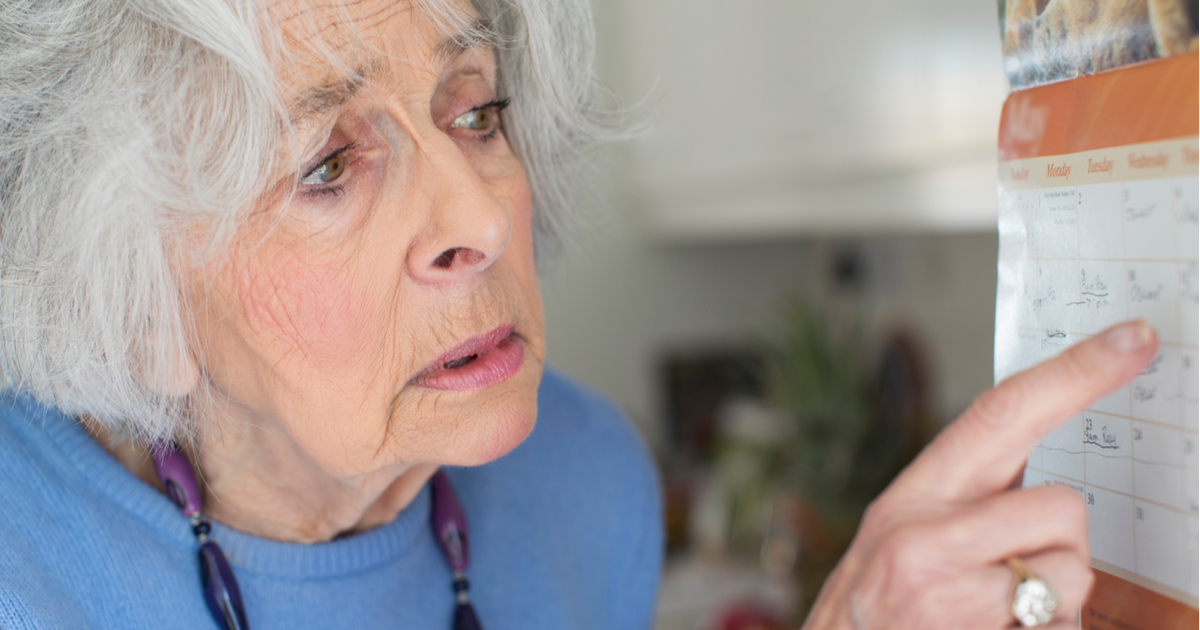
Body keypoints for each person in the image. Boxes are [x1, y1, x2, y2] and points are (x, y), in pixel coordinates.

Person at [0, 1, 1157, 629]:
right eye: (327, 168)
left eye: (475, 112)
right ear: (133, 305)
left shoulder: (587, 480)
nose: (481, 218)